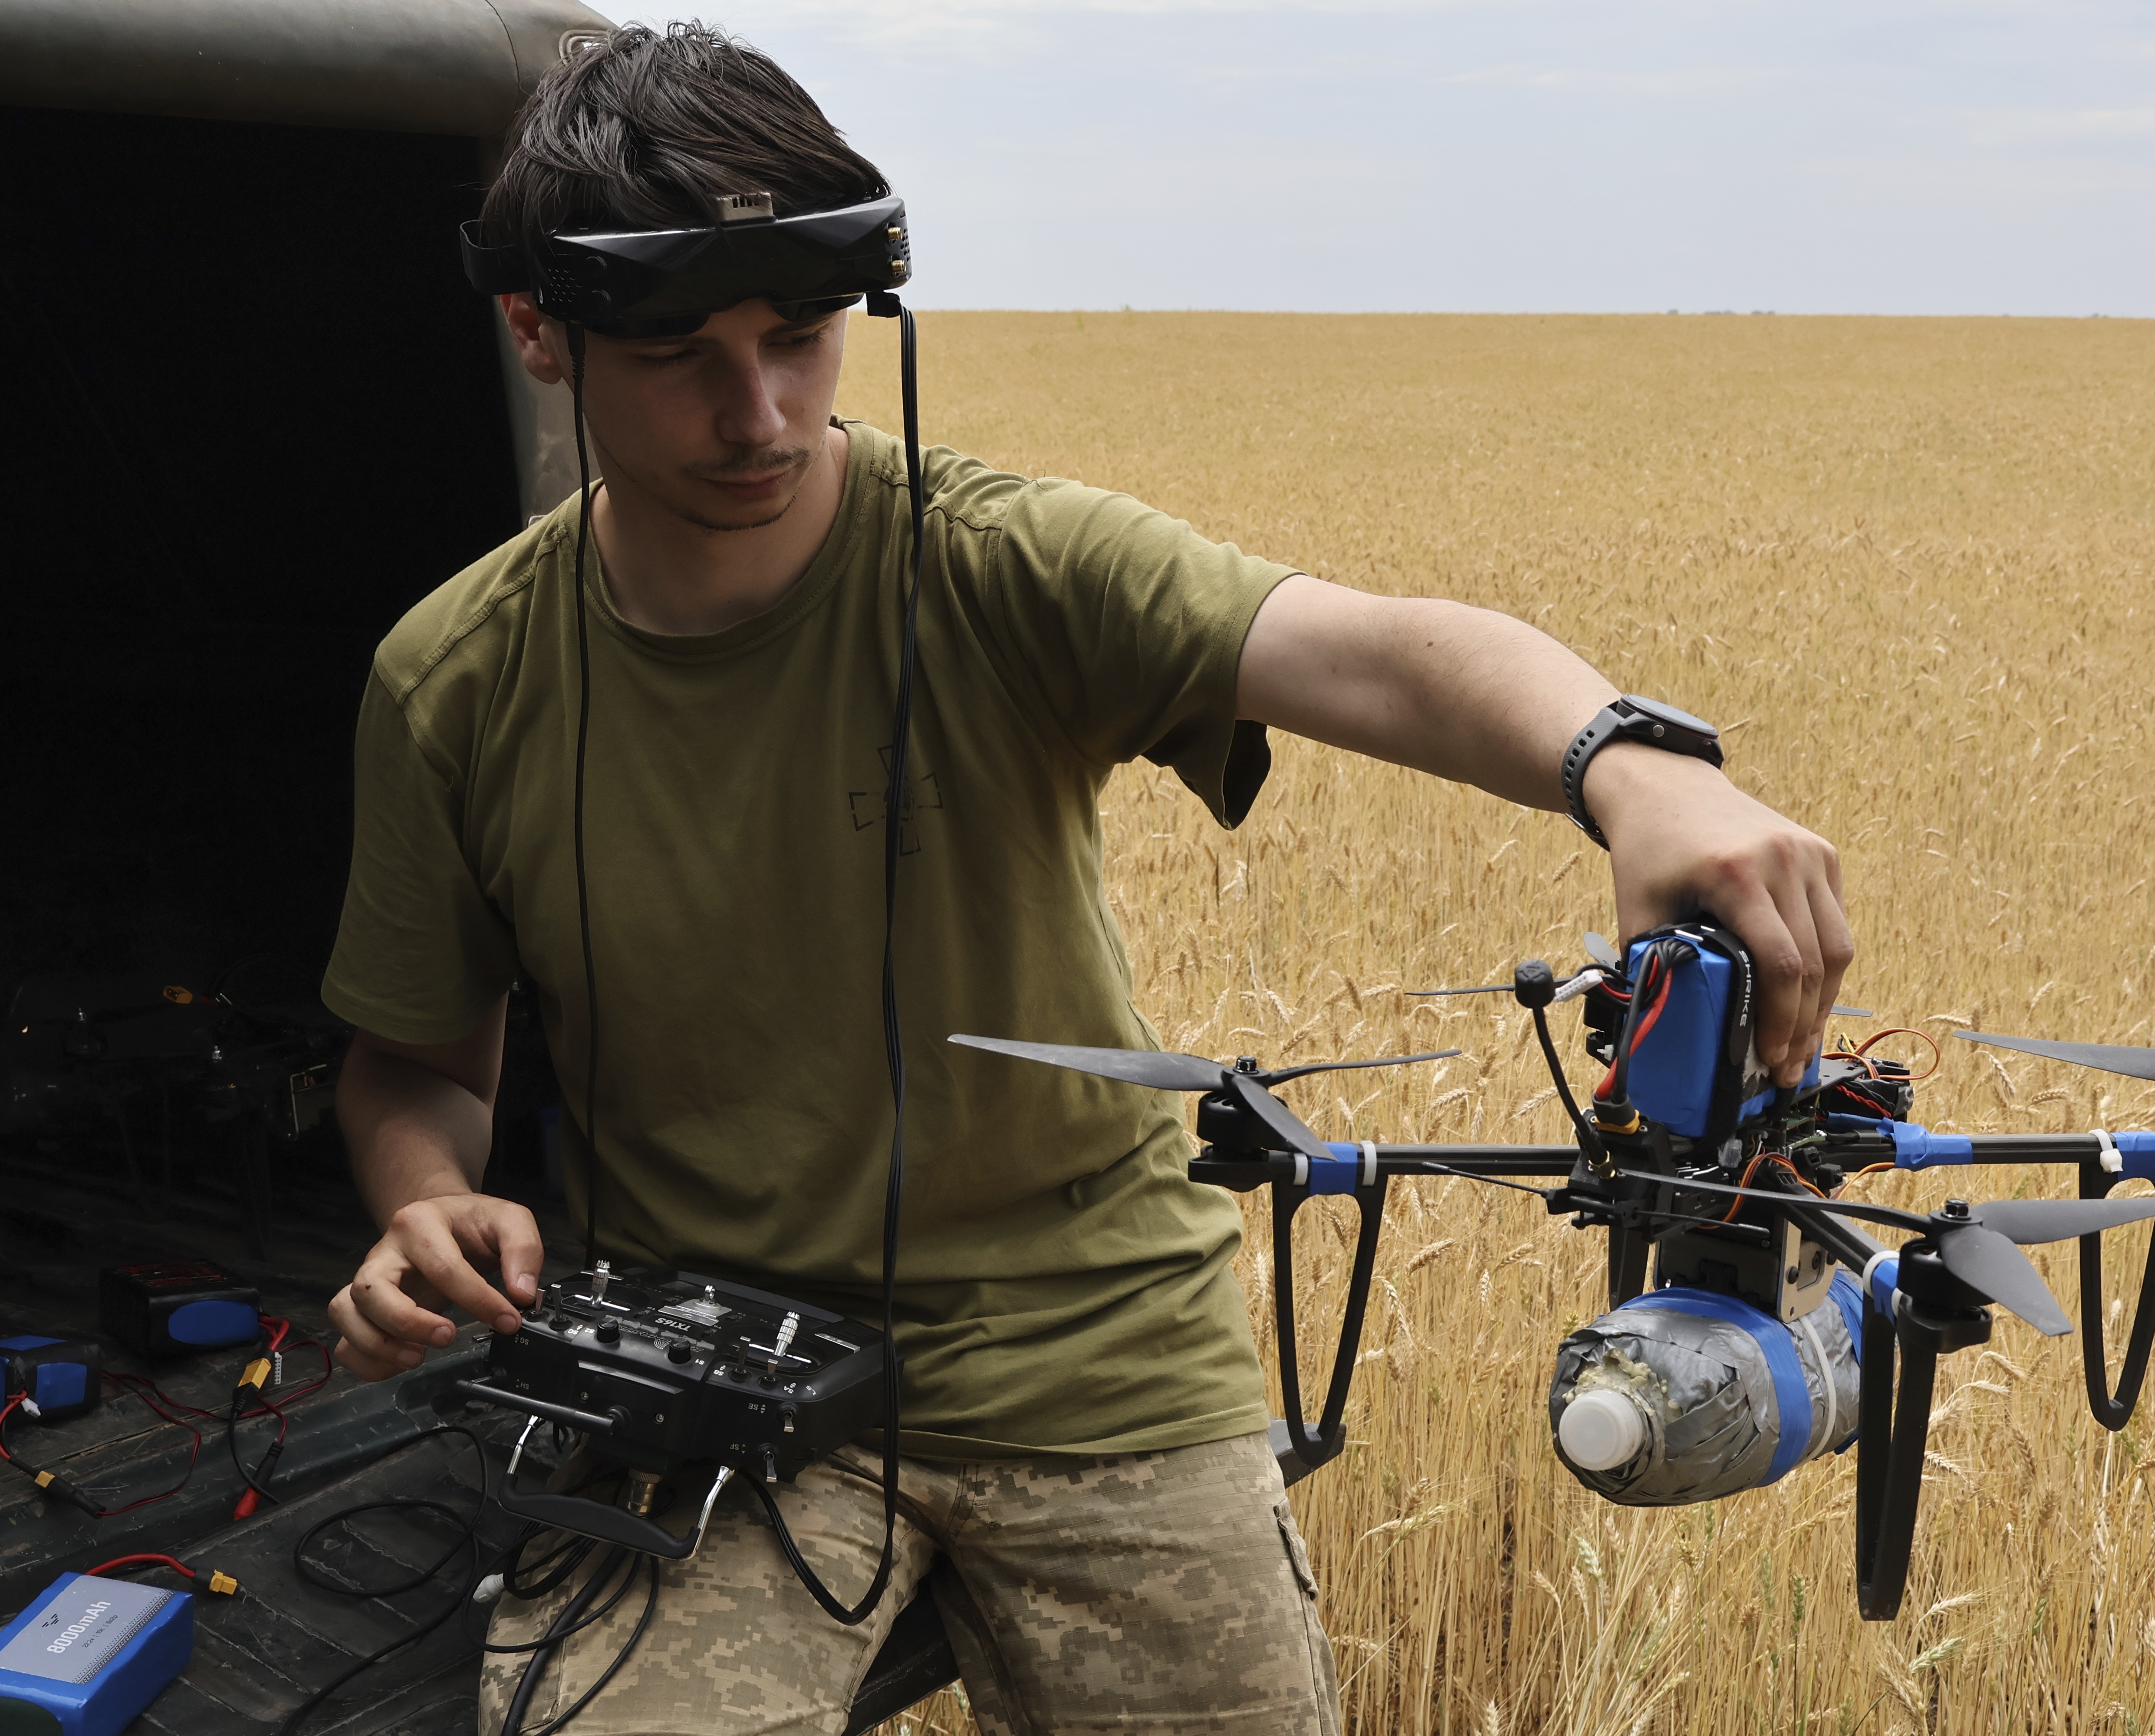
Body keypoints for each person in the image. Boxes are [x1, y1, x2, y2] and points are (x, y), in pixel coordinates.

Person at [321, 22, 1853, 1736]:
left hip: (1097, 1352)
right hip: (720, 1378)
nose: (759, 411)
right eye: (681, 354)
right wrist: (420, 1199)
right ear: (540, 331)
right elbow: (421, 1057)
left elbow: (1380, 654)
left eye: (805, 339)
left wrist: (1632, 766)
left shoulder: (997, 564)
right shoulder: (453, 680)